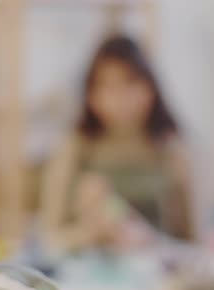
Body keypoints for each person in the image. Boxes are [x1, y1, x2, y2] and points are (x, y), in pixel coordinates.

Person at [41, 35, 193, 256]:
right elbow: (50, 240)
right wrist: (90, 232)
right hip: (91, 278)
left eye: (130, 83)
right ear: (91, 95)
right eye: (107, 86)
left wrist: (146, 240)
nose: (119, 98)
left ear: (150, 88)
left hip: (157, 276)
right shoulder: (76, 147)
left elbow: (190, 245)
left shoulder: (170, 149)